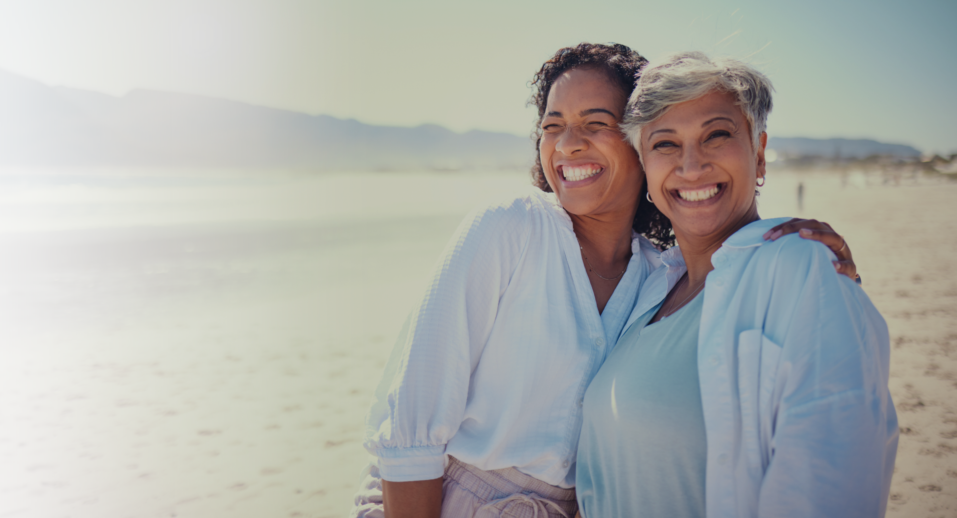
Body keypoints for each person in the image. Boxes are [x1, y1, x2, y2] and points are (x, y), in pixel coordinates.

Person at [352, 43, 860, 518]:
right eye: (553, 126)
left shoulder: (662, 277)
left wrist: (796, 244)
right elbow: (409, 433)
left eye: (596, 122)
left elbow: (728, 245)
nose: (569, 144)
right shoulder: (511, 227)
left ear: (639, 145)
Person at [575, 52, 897, 517]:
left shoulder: (802, 269)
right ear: (644, 165)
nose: (691, 165)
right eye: (665, 144)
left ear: (759, 153)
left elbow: (827, 485)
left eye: (717, 135)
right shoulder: (647, 286)